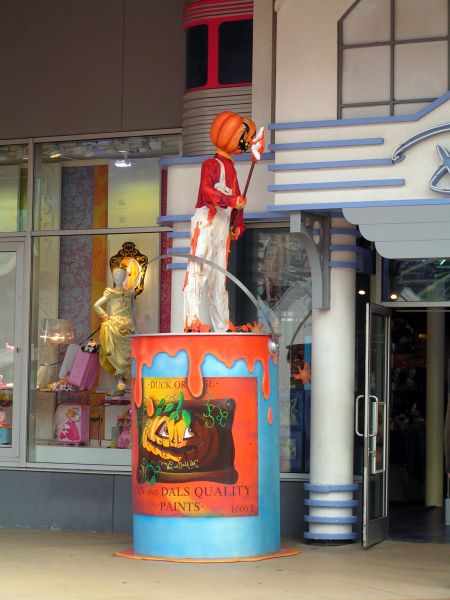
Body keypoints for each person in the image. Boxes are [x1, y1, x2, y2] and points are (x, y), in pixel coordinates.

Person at [183, 111, 256, 333]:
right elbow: (207, 191)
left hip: (222, 226)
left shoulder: (231, 169)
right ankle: (191, 320)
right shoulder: (211, 164)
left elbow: (237, 200)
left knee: (219, 276)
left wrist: (237, 222)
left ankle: (222, 324)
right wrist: (232, 201)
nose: (247, 142)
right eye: (245, 136)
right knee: (197, 269)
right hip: (206, 222)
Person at [94, 261, 138, 393]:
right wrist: (104, 316)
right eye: (116, 275)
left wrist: (136, 326)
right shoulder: (110, 293)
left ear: (125, 277)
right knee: (116, 353)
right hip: (115, 327)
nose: (118, 277)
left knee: (128, 352)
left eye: (121, 275)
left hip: (128, 327)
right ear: (113, 277)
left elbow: (132, 311)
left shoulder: (129, 294)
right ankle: (119, 380)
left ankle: (127, 380)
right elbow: (96, 305)